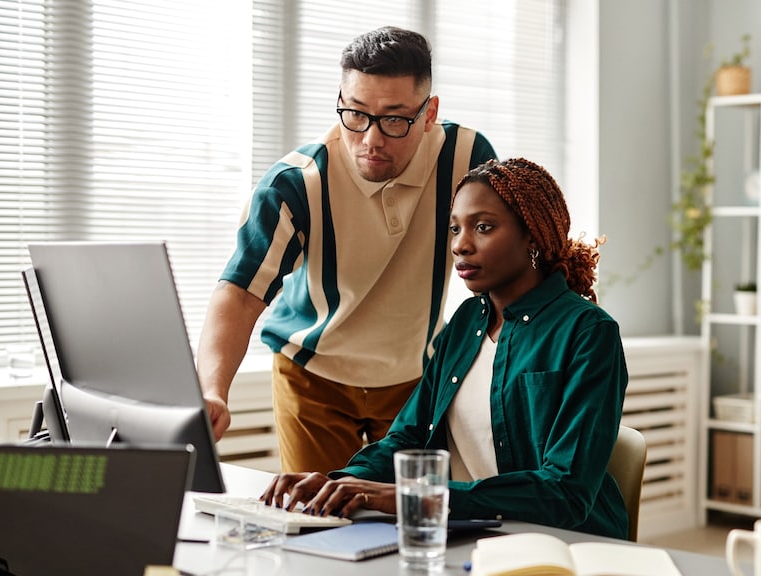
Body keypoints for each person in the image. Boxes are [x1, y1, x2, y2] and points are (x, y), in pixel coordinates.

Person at [262, 157, 630, 539]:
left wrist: (417, 498)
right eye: (455, 229)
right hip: (469, 535)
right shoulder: (467, 321)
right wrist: (340, 482)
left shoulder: (589, 332)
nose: (460, 245)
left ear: (533, 237)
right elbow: (409, 437)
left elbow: (565, 493)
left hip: (564, 545)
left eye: (483, 227)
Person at [197, 26, 498, 474]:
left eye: (395, 119)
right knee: (318, 520)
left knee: (404, 519)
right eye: (355, 113)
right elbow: (239, 293)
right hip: (313, 378)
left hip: (414, 379)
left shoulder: (466, 156)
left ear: (429, 112)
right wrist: (212, 389)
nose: (371, 139)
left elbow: (503, 263)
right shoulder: (296, 183)